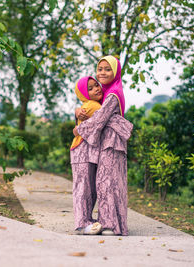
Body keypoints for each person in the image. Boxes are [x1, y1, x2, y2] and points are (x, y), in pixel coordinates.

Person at [74, 56, 133, 236]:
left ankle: (110, 225)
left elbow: (99, 119)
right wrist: (78, 111)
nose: (103, 73)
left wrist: (79, 130)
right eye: (100, 69)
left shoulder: (113, 93)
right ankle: (110, 224)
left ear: (116, 71)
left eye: (108, 69)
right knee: (106, 182)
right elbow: (91, 109)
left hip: (112, 142)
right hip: (106, 142)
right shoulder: (106, 92)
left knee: (106, 182)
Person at [70, 76, 103, 235]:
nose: (96, 89)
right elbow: (77, 129)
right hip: (81, 152)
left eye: (96, 85)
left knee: (90, 189)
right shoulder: (93, 106)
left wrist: (76, 113)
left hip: (87, 152)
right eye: (90, 88)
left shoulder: (90, 105)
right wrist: (77, 113)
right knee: (83, 189)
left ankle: (86, 220)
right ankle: (82, 224)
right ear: (83, 94)